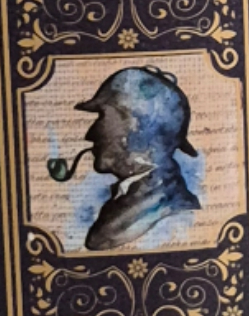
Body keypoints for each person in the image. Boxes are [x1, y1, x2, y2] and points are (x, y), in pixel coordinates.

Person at [75, 65, 204, 252]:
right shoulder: (132, 196)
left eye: (103, 117)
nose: (90, 134)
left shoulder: (165, 207)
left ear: (137, 127)